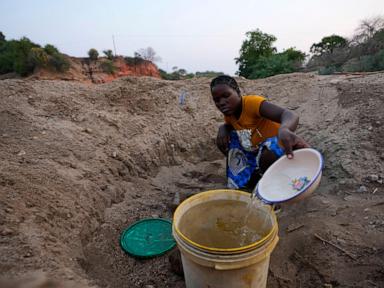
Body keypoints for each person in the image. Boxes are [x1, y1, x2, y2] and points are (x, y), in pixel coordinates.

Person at [210, 75, 309, 191]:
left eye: (226, 96)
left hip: (279, 149)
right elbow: (231, 126)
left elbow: (289, 115)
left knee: (267, 153)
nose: (221, 102)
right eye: (217, 100)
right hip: (255, 151)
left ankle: (271, 183)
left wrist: (284, 129)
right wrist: (223, 128)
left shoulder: (251, 103)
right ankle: (253, 175)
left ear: (237, 91)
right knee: (227, 139)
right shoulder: (230, 114)